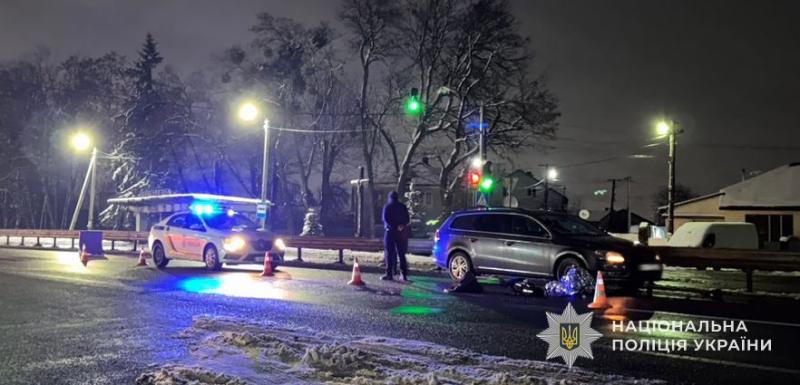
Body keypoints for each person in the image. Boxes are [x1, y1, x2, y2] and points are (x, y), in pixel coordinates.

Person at [381, 191, 410, 281]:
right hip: (400, 232)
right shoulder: (402, 206)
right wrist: (401, 225)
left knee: (389, 253)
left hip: (390, 232)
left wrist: (393, 226)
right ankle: (403, 274)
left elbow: (386, 219)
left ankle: (389, 274)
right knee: (401, 253)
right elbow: (407, 218)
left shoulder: (387, 206)